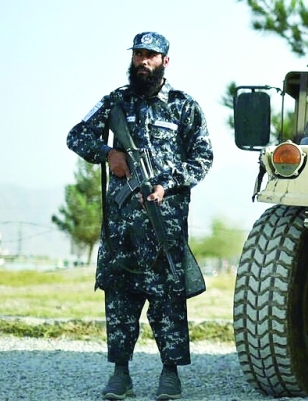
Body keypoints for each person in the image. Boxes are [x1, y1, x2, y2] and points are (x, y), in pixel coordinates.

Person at [67, 32, 213, 400]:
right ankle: (121, 374)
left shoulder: (184, 106)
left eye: (151, 55)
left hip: (165, 224)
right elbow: (76, 135)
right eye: (138, 55)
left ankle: (170, 374)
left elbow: (202, 158)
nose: (142, 61)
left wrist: (167, 185)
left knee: (168, 300)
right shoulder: (116, 101)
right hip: (122, 227)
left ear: (166, 61)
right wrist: (107, 153)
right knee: (119, 298)